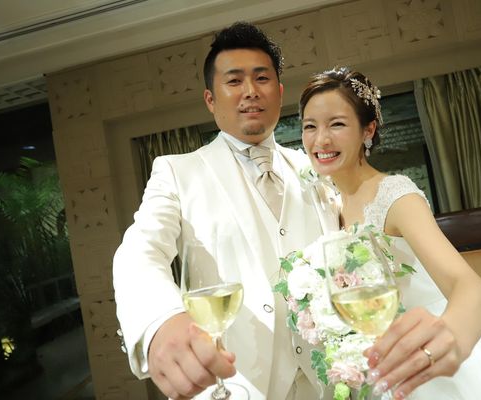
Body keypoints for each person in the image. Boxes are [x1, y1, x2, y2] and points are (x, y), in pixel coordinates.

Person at [298, 66, 481, 399]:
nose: (320, 140)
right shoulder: (327, 201)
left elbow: (469, 286)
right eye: (310, 126)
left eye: (337, 124)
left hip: (432, 361)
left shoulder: (396, 196)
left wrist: (450, 335)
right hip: (381, 365)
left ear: (368, 130)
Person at [113, 22, 338, 400]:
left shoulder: (315, 167)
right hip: (235, 384)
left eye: (262, 78)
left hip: (330, 383)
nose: (251, 91)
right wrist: (160, 320)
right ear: (210, 99)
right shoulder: (177, 173)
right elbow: (139, 251)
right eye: (234, 81)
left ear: (280, 91)